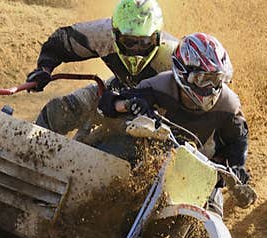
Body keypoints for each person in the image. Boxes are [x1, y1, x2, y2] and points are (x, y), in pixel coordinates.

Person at [98, 33, 253, 214]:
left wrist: (237, 168)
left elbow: (238, 141)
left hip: (199, 168)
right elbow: (107, 105)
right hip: (150, 157)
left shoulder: (229, 105)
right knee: (107, 168)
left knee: (213, 217)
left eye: (216, 79)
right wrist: (128, 104)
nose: (210, 87)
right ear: (181, 71)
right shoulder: (158, 86)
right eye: (202, 79)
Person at [25, 0, 178, 134]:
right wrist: (44, 69)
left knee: (127, 147)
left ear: (158, 38)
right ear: (115, 35)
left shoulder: (174, 58)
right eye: (129, 42)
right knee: (59, 111)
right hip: (115, 90)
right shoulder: (102, 34)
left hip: (156, 114)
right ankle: (27, 148)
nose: (136, 51)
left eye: (145, 42)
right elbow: (61, 43)